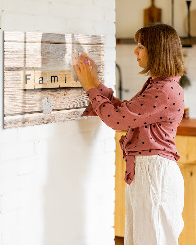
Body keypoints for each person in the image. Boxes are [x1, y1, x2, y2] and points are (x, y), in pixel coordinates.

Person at [74, 23, 186, 245]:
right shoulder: (159, 85)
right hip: (149, 172)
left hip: (154, 174)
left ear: (157, 51)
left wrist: (89, 87)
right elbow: (125, 112)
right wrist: (95, 83)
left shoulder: (163, 90)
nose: (135, 51)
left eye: (141, 46)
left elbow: (117, 120)